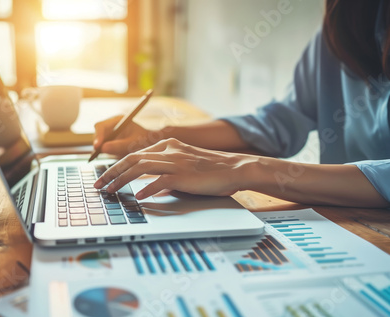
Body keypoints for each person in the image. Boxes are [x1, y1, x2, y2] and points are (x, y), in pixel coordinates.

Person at [93, 0, 390, 208]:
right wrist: (156, 138)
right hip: (345, 225)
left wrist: (247, 170)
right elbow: (278, 124)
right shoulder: (342, 25)